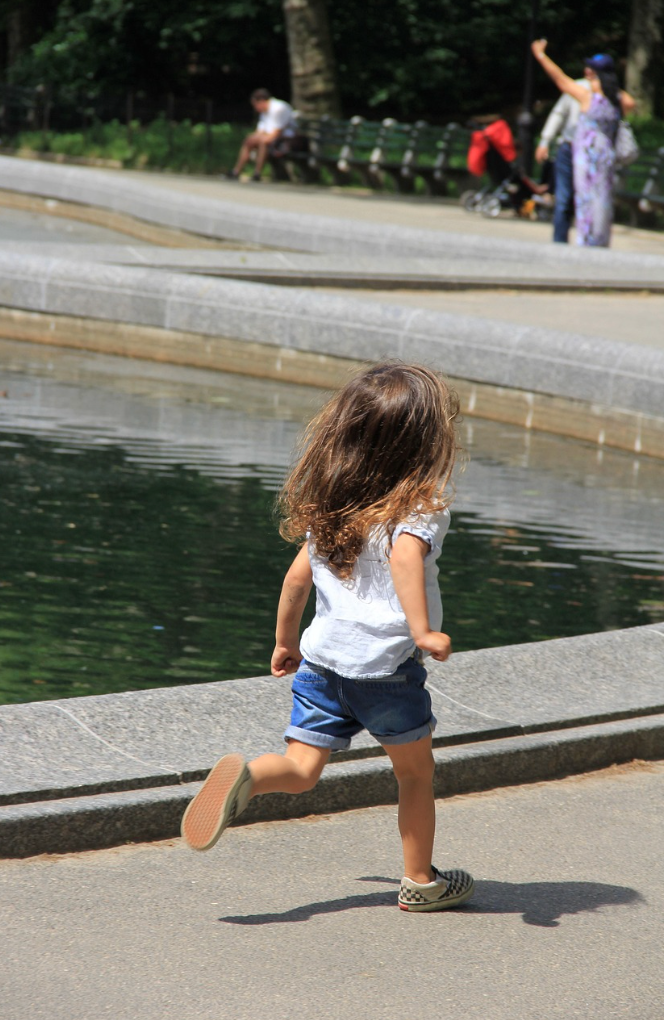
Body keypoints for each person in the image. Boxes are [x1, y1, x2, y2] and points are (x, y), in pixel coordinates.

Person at [181, 362, 475, 913]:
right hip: (385, 671)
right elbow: (405, 556)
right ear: (425, 441)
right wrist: (422, 630)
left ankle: (248, 776)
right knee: (415, 773)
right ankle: (420, 881)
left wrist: (284, 642)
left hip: (321, 665)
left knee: (300, 769)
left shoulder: (334, 506)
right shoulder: (421, 506)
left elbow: (296, 580)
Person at [532, 41, 635, 247]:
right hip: (606, 153)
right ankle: (599, 238)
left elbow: (560, 79)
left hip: (587, 154)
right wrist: (609, 84)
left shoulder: (588, 96)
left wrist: (541, 56)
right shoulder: (616, 99)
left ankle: (587, 238)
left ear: (596, 74)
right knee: (602, 196)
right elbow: (630, 103)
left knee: (586, 195)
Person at [535, 72, 591, 242]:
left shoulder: (609, 92)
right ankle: (559, 241)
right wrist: (545, 140)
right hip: (569, 146)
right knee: (564, 197)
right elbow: (558, 113)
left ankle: (587, 241)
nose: (590, 72)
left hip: (591, 152)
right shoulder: (577, 86)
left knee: (586, 197)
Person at [227, 88, 297, 182]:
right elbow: (260, 131)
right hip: (271, 137)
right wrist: (252, 139)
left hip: (287, 138)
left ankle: (257, 173)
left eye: (255, 105)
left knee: (263, 142)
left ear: (262, 101)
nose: (255, 108)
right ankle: (236, 171)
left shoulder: (279, 108)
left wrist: (260, 138)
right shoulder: (264, 112)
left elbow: (277, 132)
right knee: (249, 140)